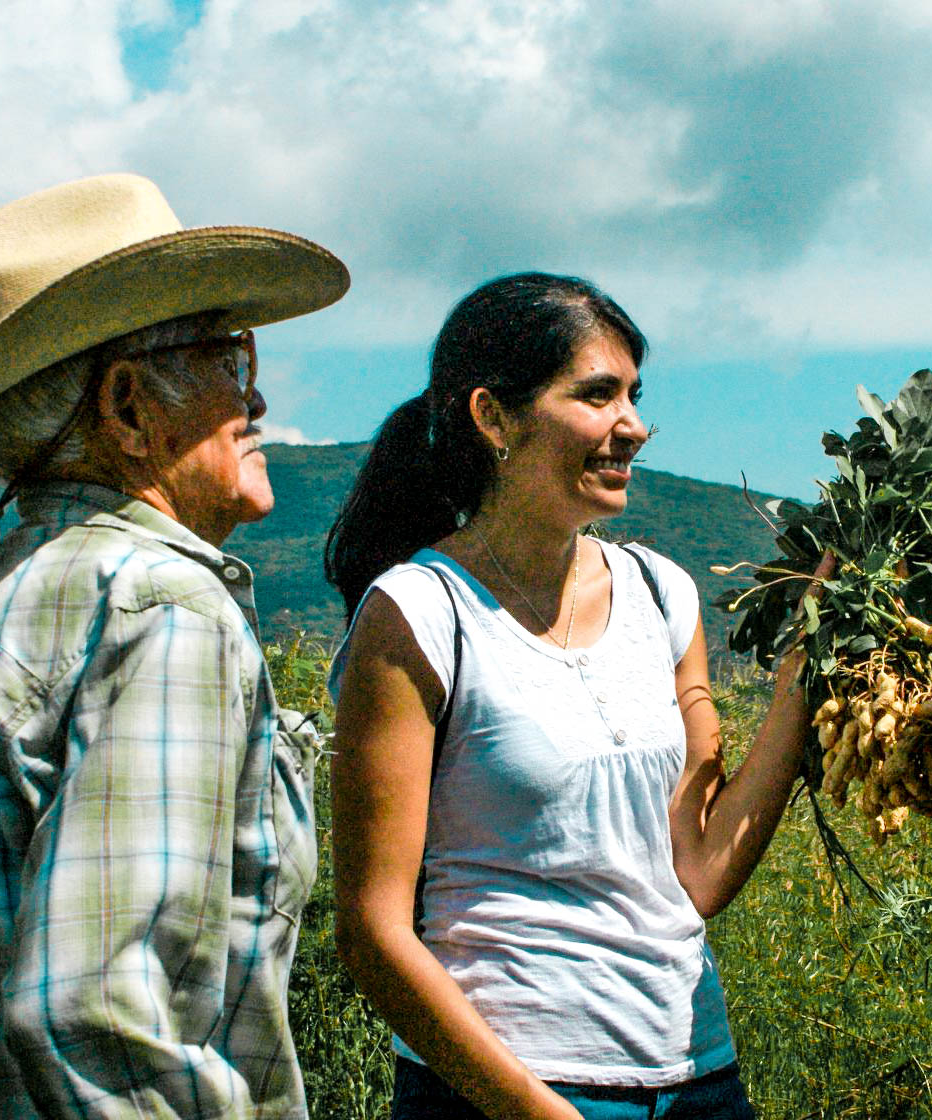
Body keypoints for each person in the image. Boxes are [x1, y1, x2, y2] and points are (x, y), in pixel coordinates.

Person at [0, 173, 349, 1117]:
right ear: (128, 407)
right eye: (228, 354)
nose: (256, 392)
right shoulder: (161, 605)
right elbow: (98, 1017)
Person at [324, 272, 823, 1119]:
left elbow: (695, 876)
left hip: (697, 1075)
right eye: (596, 395)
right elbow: (372, 933)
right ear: (493, 417)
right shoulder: (418, 614)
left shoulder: (664, 597)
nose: (630, 426)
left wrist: (808, 673)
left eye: (633, 396)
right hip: (501, 1089)